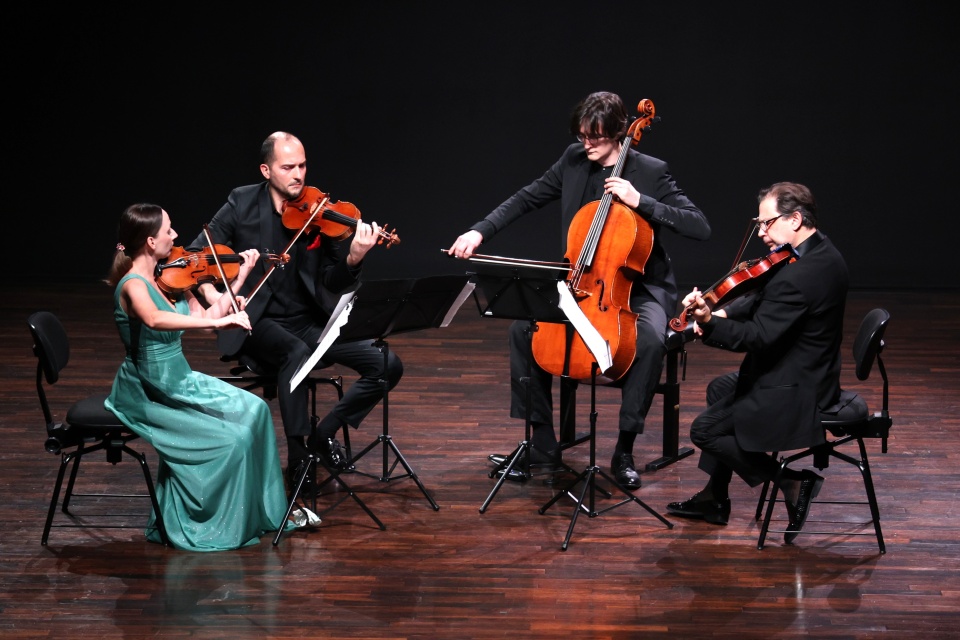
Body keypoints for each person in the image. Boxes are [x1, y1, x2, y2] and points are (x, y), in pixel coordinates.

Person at [447, 91, 711, 489]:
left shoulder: (651, 170)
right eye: (582, 135)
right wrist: (478, 230)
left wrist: (641, 201)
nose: (586, 144)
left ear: (621, 132)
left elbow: (699, 226)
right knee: (523, 331)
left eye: (596, 137)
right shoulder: (572, 159)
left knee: (651, 342)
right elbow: (526, 198)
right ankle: (544, 444)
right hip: (583, 282)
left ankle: (623, 449)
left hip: (639, 286)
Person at [191, 131, 402, 494]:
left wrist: (354, 257)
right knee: (297, 354)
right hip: (256, 322)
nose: (298, 174)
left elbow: (335, 282)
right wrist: (218, 298)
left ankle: (321, 435)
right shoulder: (241, 202)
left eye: (302, 165)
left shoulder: (321, 212)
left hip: (310, 321)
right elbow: (200, 255)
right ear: (266, 170)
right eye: (288, 167)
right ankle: (298, 460)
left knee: (387, 364)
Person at [104, 203, 295, 551]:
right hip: (149, 389)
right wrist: (217, 322)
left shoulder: (171, 276)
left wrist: (238, 279)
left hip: (180, 378)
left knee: (256, 411)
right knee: (232, 441)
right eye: (169, 230)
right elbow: (155, 320)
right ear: (150, 240)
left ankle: (264, 513)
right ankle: (209, 522)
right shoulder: (133, 284)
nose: (176, 236)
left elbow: (208, 313)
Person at [666, 181, 848, 543]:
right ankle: (714, 497)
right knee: (720, 388)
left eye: (767, 223)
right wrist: (718, 311)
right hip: (812, 370)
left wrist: (708, 323)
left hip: (798, 388)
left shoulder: (800, 275)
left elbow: (759, 337)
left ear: (795, 219)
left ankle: (793, 483)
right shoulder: (816, 252)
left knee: (704, 430)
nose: (761, 232)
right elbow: (760, 298)